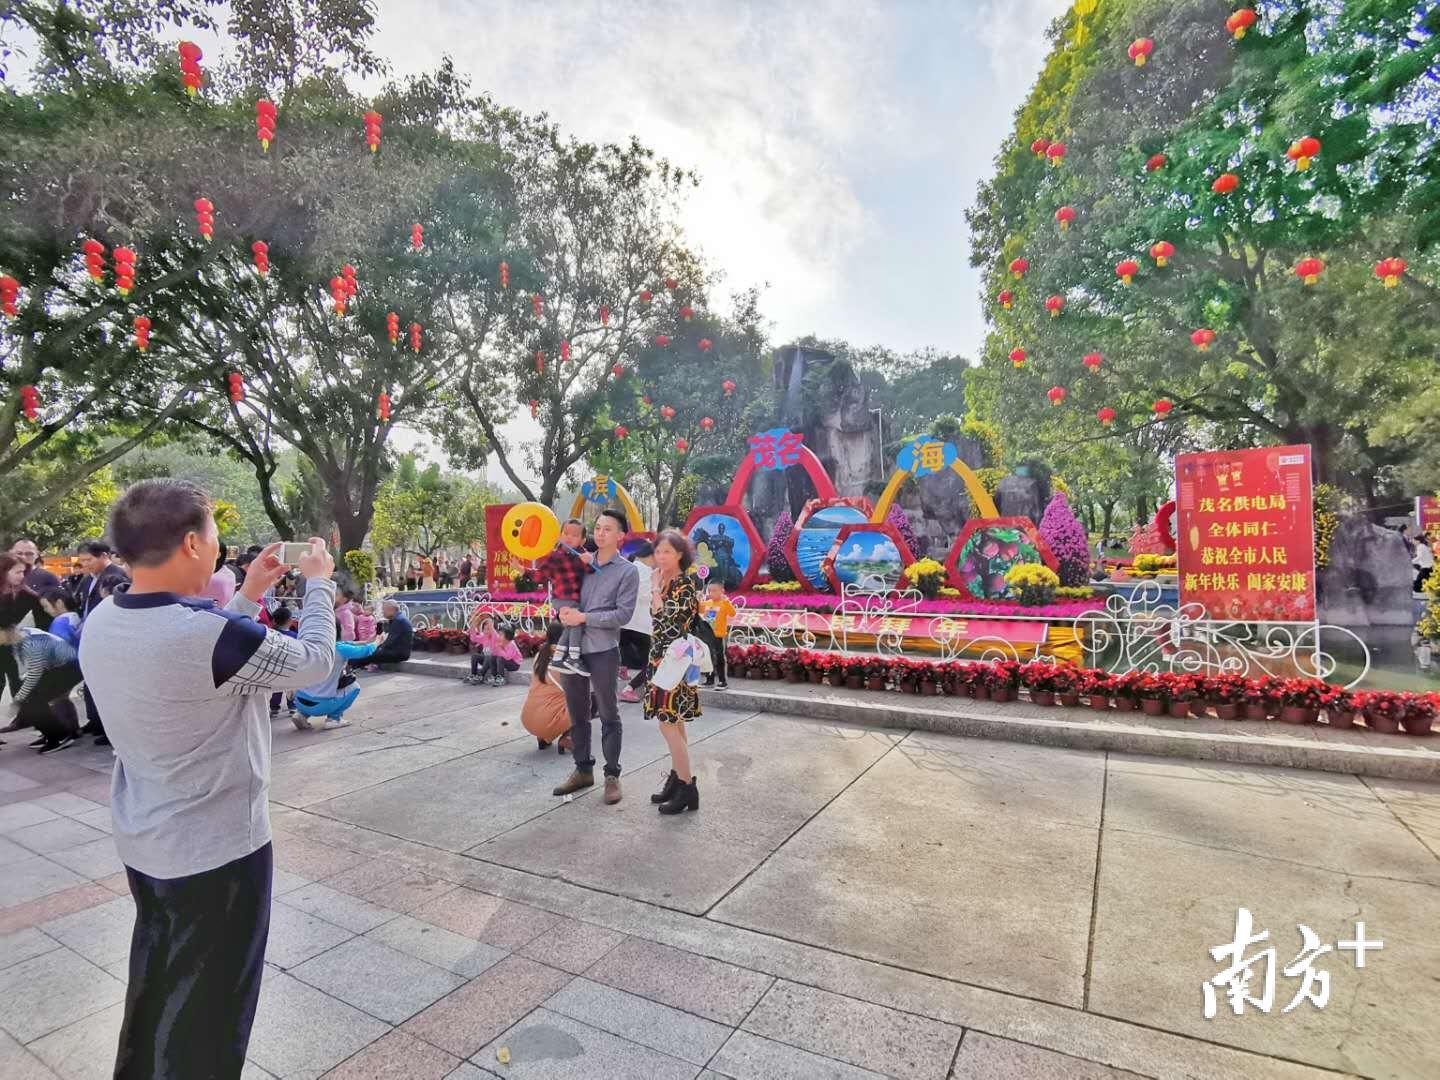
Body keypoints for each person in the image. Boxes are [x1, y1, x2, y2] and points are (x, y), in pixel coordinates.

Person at [78, 479, 339, 1079]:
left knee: (158, 986)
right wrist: (320, 583)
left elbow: (206, 660)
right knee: (211, 1013)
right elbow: (317, 664)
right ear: (192, 543)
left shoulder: (104, 619)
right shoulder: (208, 637)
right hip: (217, 853)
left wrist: (246, 596)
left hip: (148, 843)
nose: (221, 549)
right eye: (217, 538)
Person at [553, 508, 639, 804]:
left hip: (603, 649)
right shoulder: (580, 562)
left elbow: (623, 614)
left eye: (607, 529)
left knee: (608, 713)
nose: (600, 533)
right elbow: (562, 588)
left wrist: (583, 618)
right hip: (571, 648)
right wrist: (562, 611)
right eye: (598, 528)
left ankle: (612, 775)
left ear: (621, 536)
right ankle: (582, 769)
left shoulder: (627, 571)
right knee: (577, 713)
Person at [644, 530, 702, 814]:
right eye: (658, 551)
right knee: (675, 723)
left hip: (675, 664)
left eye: (667, 551)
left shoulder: (685, 584)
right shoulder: (667, 582)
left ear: (680, 554)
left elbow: (669, 626)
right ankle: (680, 780)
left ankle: (687, 786)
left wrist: (655, 590)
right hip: (662, 661)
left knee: (667, 722)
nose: (661, 557)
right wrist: (657, 588)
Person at [75, 540, 129, 744]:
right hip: (91, 636)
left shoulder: (116, 575)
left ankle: (110, 729)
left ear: (104, 556)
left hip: (109, 638)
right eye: (82, 561)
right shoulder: (89, 578)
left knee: (108, 685)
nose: (85, 564)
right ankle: (94, 720)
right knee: (91, 680)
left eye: (88, 560)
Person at [1, 621, 83, 753]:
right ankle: (52, 733)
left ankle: (60, 736)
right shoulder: (18, 638)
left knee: (29, 700)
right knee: (29, 700)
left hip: (71, 667)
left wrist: (18, 699)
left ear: (6, 630)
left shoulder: (30, 643)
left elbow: (33, 675)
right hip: (57, 667)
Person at [292, 627, 378, 729]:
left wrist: (366, 641)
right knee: (355, 687)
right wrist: (377, 642)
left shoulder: (309, 645)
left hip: (299, 700)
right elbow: (366, 651)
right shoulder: (339, 649)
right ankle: (334, 719)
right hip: (321, 705)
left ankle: (301, 714)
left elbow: (348, 644)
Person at [538, 518, 593, 678]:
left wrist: (588, 562)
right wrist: (522, 571)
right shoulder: (555, 556)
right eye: (566, 533)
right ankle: (574, 657)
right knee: (576, 625)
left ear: (583, 540)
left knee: (569, 627)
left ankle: (557, 658)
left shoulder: (583, 555)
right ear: (560, 535)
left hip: (576, 599)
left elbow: (591, 573)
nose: (569, 537)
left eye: (575, 535)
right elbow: (540, 575)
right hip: (563, 598)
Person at [0, 553, 46, 710]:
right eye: (17, 572)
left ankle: (25, 714)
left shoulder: (26, 594)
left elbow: (42, 612)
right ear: (4, 572)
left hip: (7, 643)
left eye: (23, 572)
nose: (22, 576)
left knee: (15, 678)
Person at [521, 621, 572, 752]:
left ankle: (543, 738)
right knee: (587, 702)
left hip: (527, 718)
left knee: (554, 699)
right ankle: (568, 737)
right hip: (545, 721)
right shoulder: (564, 661)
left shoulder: (540, 655)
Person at [618, 541, 655, 704]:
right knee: (653, 662)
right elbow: (645, 595)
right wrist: (658, 592)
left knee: (625, 650)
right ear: (652, 556)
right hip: (640, 624)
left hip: (624, 622)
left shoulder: (629, 567)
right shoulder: (646, 571)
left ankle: (622, 669)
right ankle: (630, 689)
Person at [10, 539, 62, 621]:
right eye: (19, 553)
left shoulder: (48, 577)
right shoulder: (3, 576)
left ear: (37, 555)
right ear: (11, 553)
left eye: (29, 554)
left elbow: (57, 609)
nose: (23, 557)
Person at [699, 579, 737, 691]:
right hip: (707, 636)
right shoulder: (706, 603)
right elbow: (697, 609)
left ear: (722, 591)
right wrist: (698, 598)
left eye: (715, 590)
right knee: (708, 658)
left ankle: (722, 681)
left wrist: (727, 602)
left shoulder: (724, 603)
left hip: (719, 635)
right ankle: (709, 680)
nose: (711, 593)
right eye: (709, 591)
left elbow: (733, 613)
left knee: (719, 658)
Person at [268, 607, 298, 722]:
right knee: (291, 688)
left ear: (274, 621)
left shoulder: (271, 634)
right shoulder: (295, 636)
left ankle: (274, 708)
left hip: (275, 667)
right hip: (290, 667)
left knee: (277, 689)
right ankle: (292, 706)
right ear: (290, 621)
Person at [369, 598, 414, 665]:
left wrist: (378, 649)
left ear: (391, 609)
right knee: (369, 652)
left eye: (384, 610)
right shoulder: (399, 618)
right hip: (400, 651)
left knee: (368, 654)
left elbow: (390, 641)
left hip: (399, 654)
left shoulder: (398, 620)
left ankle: (352, 668)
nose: (382, 612)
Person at [465, 614, 500, 685]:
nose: (486, 631)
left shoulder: (495, 637)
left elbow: (493, 632)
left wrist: (489, 620)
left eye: (488, 629)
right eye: (485, 629)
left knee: (488, 656)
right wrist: (473, 626)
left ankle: (480, 676)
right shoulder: (483, 637)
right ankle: (473, 675)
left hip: (493, 661)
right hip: (485, 660)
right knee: (474, 656)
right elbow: (473, 638)